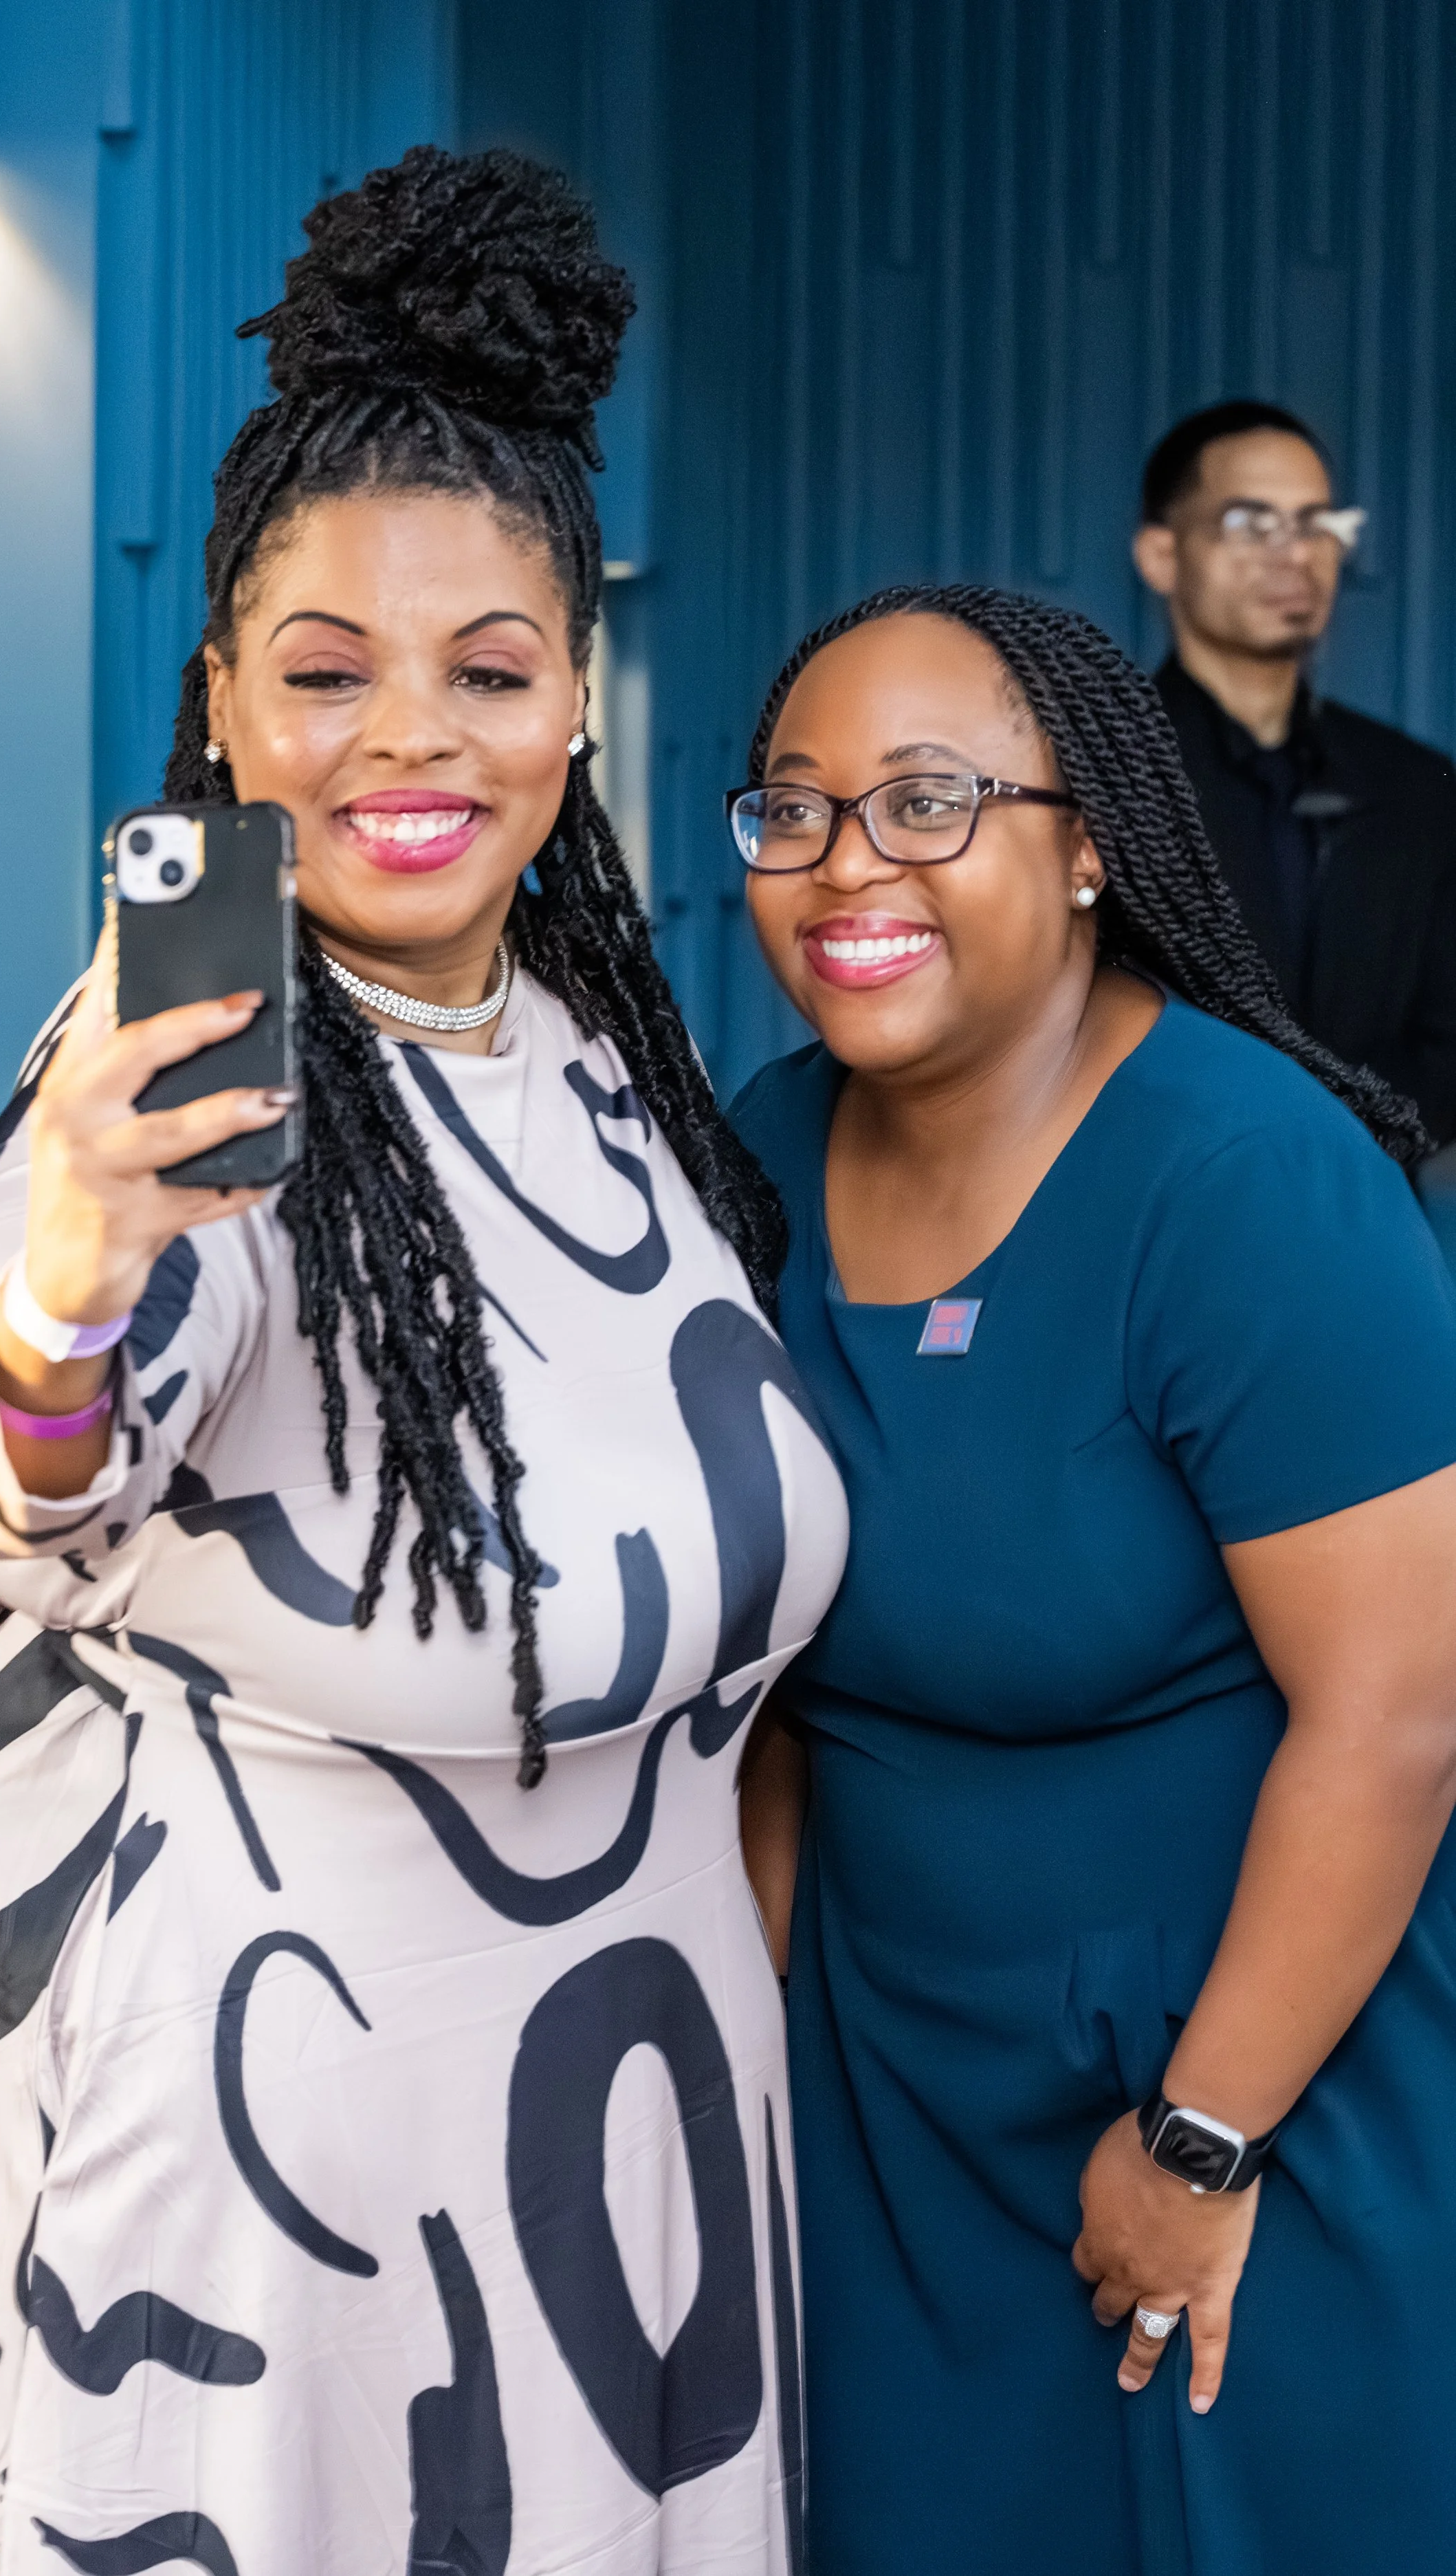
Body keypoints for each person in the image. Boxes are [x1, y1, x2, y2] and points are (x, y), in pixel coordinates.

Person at [0, 147, 845, 2576]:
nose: (413, 740)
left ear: (575, 704)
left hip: (610, 2130)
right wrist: (68, 1274)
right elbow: (40, 1464)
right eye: (326, 668)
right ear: (223, 703)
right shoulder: (183, 1079)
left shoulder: (601, 1057)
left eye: (487, 668)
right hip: (276, 2180)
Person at [731, 582, 1456, 2575]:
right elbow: (765, 1696)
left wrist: (1203, 2135)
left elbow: (1399, 1712)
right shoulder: (753, 1157)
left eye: (925, 802)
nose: (846, 864)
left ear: (1086, 850)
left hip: (1236, 2079)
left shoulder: (1246, 1175)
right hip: (887, 2090)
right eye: (792, 808)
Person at [1135, 397, 1456, 1143]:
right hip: (1158, 1190)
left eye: (1316, 523)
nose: (1294, 554)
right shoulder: (1101, 780)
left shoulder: (1417, 786)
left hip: (1363, 1194)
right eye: (1250, 523)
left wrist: (1323, 1149)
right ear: (1161, 555)